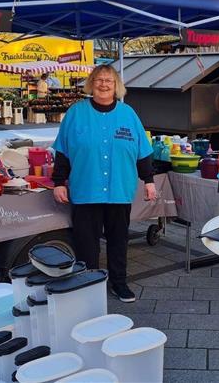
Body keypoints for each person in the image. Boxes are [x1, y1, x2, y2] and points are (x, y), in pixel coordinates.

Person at [51, 64, 156, 303]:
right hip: (86, 188)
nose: (104, 84)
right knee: (87, 243)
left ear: (116, 85)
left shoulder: (128, 114)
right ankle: (88, 285)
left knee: (118, 241)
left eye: (109, 80)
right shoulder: (76, 113)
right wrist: (59, 181)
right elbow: (63, 151)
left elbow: (142, 151)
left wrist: (149, 180)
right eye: (99, 79)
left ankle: (119, 283)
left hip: (120, 189)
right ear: (91, 83)